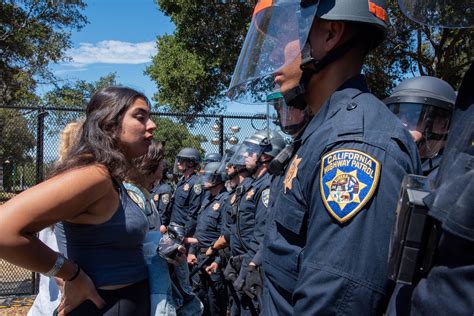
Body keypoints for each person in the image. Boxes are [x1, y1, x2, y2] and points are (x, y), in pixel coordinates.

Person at [227, 1, 421, 314]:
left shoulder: (354, 143)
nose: (274, 57)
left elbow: (337, 302)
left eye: (285, 37)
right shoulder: (322, 131)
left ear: (330, 34)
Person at [0, 86, 157, 315]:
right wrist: (70, 273)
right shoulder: (94, 175)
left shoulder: (109, 176)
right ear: (109, 124)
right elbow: (4, 229)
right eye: (140, 117)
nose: (152, 125)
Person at [386, 1, 474, 314]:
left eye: (413, 117)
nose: (404, 128)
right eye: (400, 116)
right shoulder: (408, 168)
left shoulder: (443, 177)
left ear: (442, 123)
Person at [28, 119, 84, 316]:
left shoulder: (51, 183)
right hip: (64, 288)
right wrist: (67, 275)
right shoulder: (74, 186)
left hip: (52, 285)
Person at [226, 129, 285, 316]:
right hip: (241, 263)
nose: (245, 154)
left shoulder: (267, 186)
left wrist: (244, 272)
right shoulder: (253, 185)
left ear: (265, 156)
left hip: (252, 270)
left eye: (251, 151)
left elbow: (261, 235)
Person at [384, 76, 456, 178]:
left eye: (413, 115)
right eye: (398, 115)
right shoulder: (392, 163)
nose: (402, 123)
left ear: (445, 124)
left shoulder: (455, 175)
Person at [188, 162, 229, 316]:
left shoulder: (225, 200)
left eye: (208, 176)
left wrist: (217, 261)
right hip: (198, 258)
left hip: (213, 261)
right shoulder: (207, 199)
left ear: (218, 178)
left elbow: (225, 236)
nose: (204, 179)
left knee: (214, 303)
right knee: (199, 301)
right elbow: (199, 230)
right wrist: (191, 252)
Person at [167, 147, 203, 236]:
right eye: (179, 160)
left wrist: (185, 235)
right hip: (174, 228)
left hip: (184, 231)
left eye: (182, 160)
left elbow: (193, 213)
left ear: (190, 163)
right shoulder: (182, 181)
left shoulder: (196, 183)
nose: (178, 163)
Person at [150, 159, 173, 234]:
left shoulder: (164, 189)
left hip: (157, 226)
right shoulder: (151, 186)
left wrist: (162, 225)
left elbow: (163, 211)